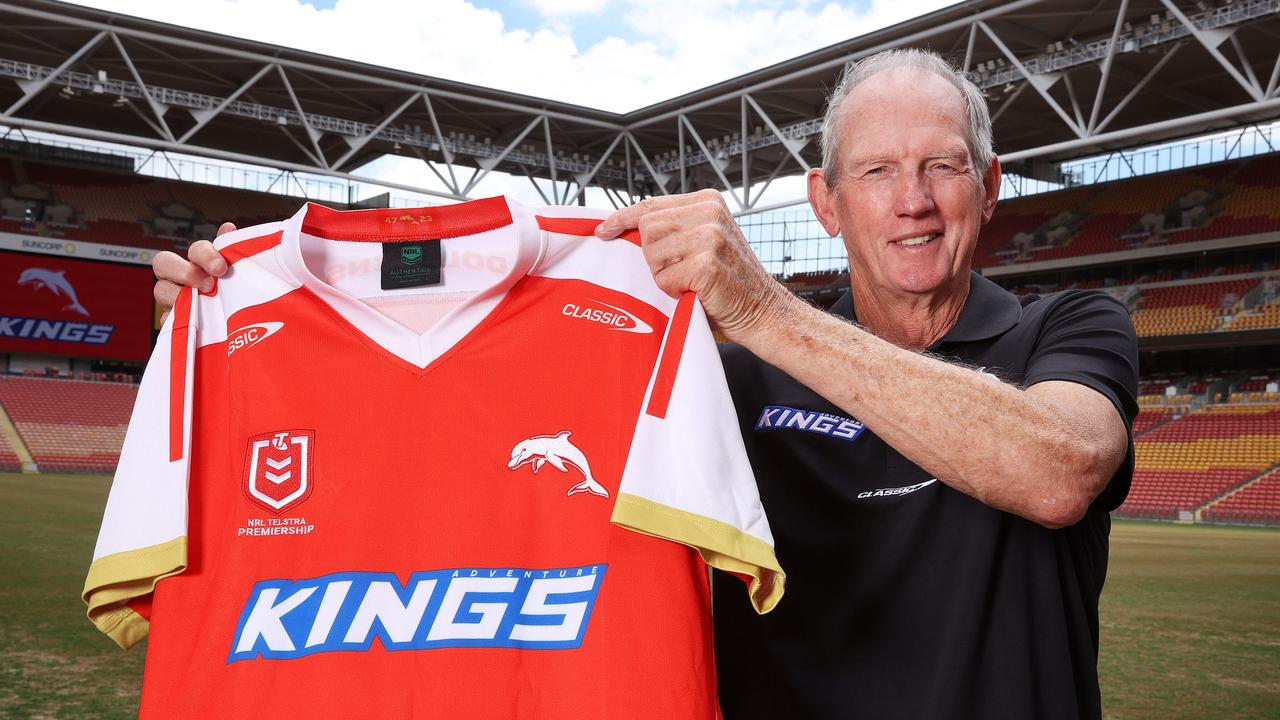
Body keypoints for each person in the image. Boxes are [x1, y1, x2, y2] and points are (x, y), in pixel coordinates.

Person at [152, 49, 1137, 720]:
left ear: (992, 185)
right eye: (876, 172)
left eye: (943, 167)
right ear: (825, 204)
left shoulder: (1066, 328)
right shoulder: (717, 376)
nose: (912, 201)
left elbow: (1056, 470)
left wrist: (762, 313)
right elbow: (459, 428)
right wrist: (237, 348)